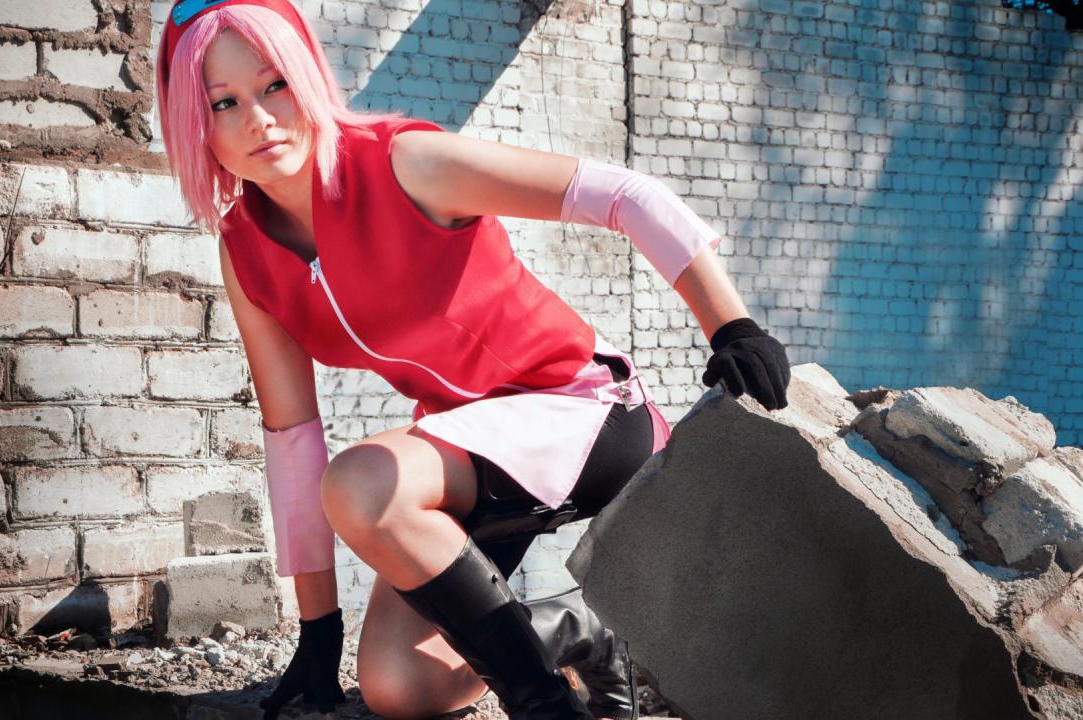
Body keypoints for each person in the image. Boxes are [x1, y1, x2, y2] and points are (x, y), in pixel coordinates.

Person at [155, 1, 791, 718]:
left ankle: (542, 704)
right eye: (224, 103)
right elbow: (291, 437)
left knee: (361, 483)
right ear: (195, 122)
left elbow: (624, 195)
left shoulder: (403, 163)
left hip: (585, 412)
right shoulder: (245, 250)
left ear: (305, 77)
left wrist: (732, 328)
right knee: (400, 688)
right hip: (475, 456)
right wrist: (318, 628)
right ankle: (573, 629)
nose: (259, 119)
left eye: (275, 85)